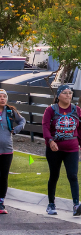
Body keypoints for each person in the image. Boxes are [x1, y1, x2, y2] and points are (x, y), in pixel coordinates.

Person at [41, 85, 81, 216]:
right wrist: (50, 140)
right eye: (65, 93)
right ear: (58, 95)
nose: (68, 95)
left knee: (73, 175)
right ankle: (51, 204)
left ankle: (76, 204)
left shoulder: (76, 110)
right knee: (54, 175)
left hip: (72, 149)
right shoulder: (50, 110)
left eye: (70, 93)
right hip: (54, 149)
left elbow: (80, 130)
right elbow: (45, 127)